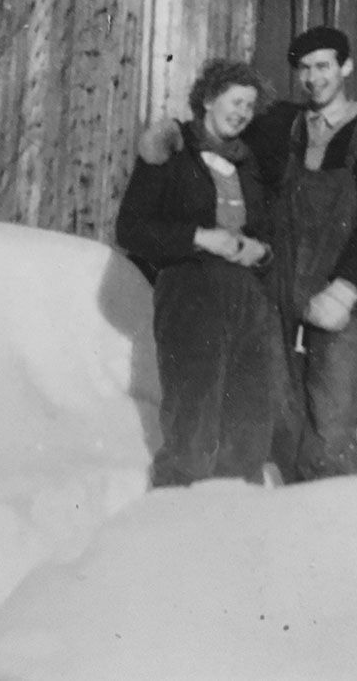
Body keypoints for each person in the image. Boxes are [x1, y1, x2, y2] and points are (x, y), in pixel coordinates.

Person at [246, 26, 357, 481]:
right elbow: (223, 123)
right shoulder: (283, 123)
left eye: (324, 66)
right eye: (305, 69)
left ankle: (337, 535)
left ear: (346, 67)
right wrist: (175, 136)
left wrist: (345, 288)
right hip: (278, 293)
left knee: (331, 426)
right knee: (280, 421)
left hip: (336, 294)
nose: (314, 79)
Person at [116, 59, 280, 487]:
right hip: (190, 288)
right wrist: (200, 238)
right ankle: (178, 510)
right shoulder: (171, 148)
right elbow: (131, 229)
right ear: (208, 100)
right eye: (235, 101)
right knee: (195, 407)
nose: (242, 113)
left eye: (249, 105)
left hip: (245, 294)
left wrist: (257, 250)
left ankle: (234, 509)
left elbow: (264, 231)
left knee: (249, 409)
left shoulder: (246, 163)